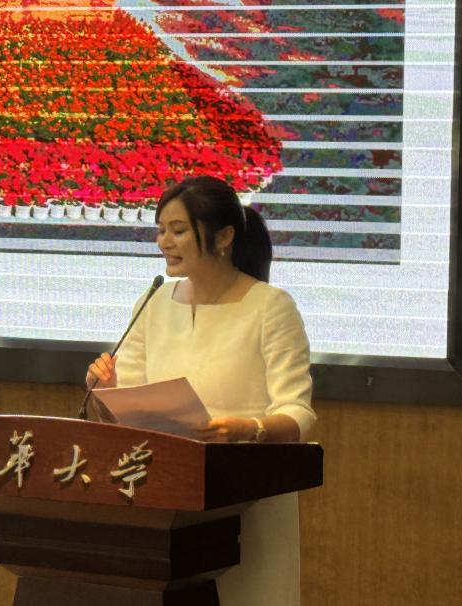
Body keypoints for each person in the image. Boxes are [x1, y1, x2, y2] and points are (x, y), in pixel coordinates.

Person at [86, 175, 315, 606]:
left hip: (247, 498)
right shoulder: (154, 302)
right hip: (166, 500)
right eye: (160, 230)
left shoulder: (271, 307)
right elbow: (126, 415)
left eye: (178, 230)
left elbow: (298, 414)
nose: (164, 242)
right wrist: (107, 390)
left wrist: (247, 429)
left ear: (224, 236)